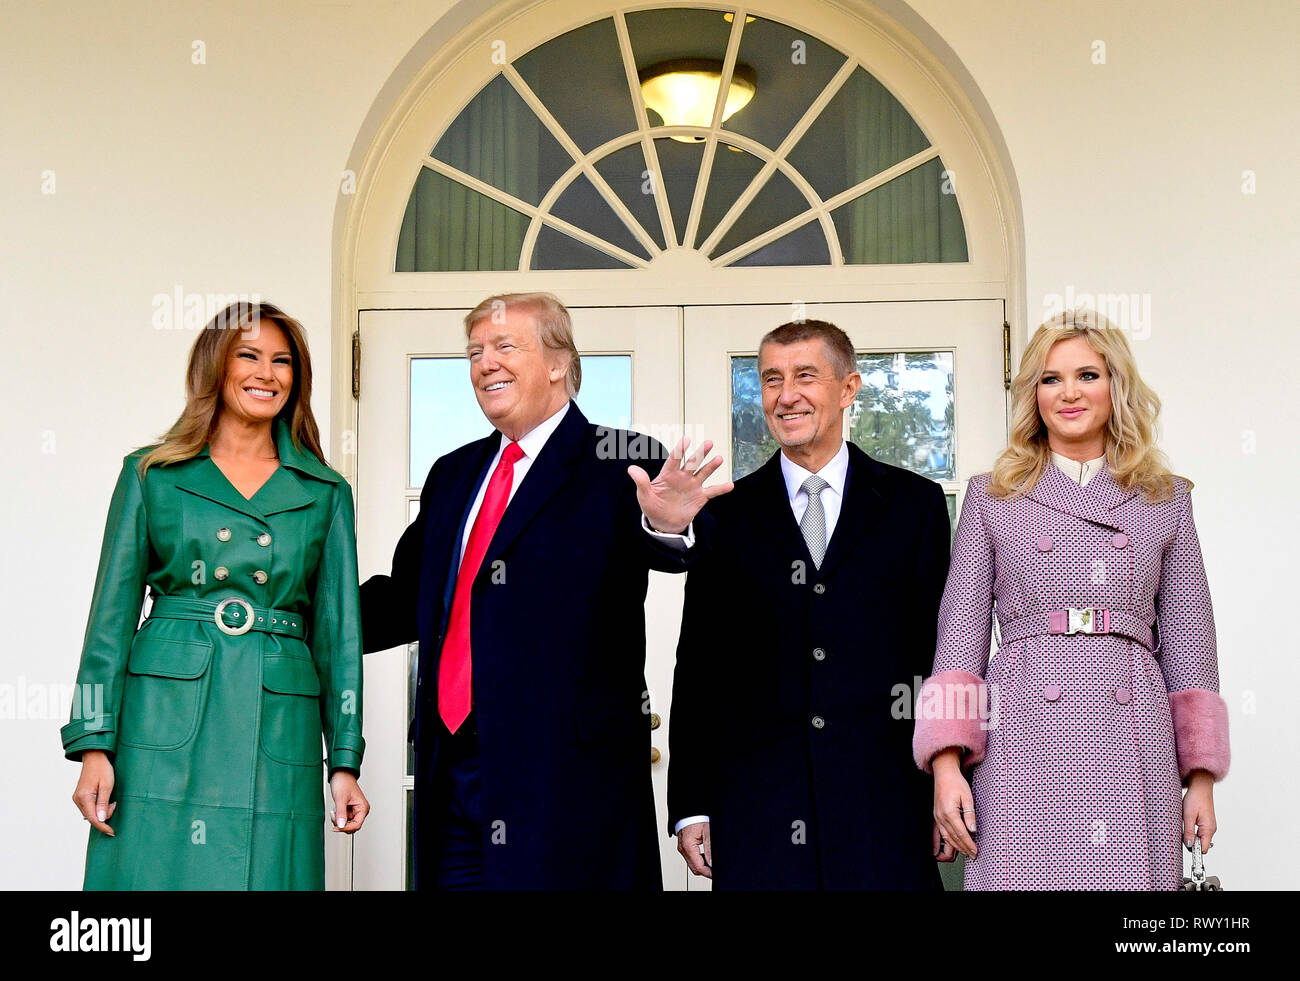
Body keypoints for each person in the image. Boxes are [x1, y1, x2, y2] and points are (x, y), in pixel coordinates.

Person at [360, 291, 731, 890]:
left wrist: (667, 523)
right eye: (475, 352)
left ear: (558, 362)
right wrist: (299, 619)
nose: (485, 363)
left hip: (569, 783)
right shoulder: (453, 473)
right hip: (454, 775)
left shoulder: (621, 458)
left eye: (505, 346)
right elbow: (411, 599)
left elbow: (680, 547)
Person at [913, 308, 1228, 890]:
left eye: (1088, 375)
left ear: (1117, 386)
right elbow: (959, 637)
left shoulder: (1166, 499)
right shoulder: (993, 496)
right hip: (1023, 732)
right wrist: (947, 765)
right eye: (1050, 379)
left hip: (1132, 734)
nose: (1069, 393)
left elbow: (1190, 639)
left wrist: (1201, 778)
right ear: (1033, 395)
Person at [63, 301, 369, 890]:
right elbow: (110, 618)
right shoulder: (152, 473)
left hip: (279, 713)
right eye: (248, 356)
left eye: (282, 361)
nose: (267, 373)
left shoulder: (325, 490)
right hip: (166, 714)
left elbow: (339, 634)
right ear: (215, 368)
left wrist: (346, 760)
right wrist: (93, 744)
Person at [668, 320, 951, 889]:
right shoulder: (725, 512)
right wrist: (692, 802)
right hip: (758, 810)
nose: (785, 395)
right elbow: (700, 665)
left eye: (805, 376)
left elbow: (941, 652)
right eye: (771, 379)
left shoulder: (913, 504)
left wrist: (948, 778)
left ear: (848, 389)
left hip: (886, 804)